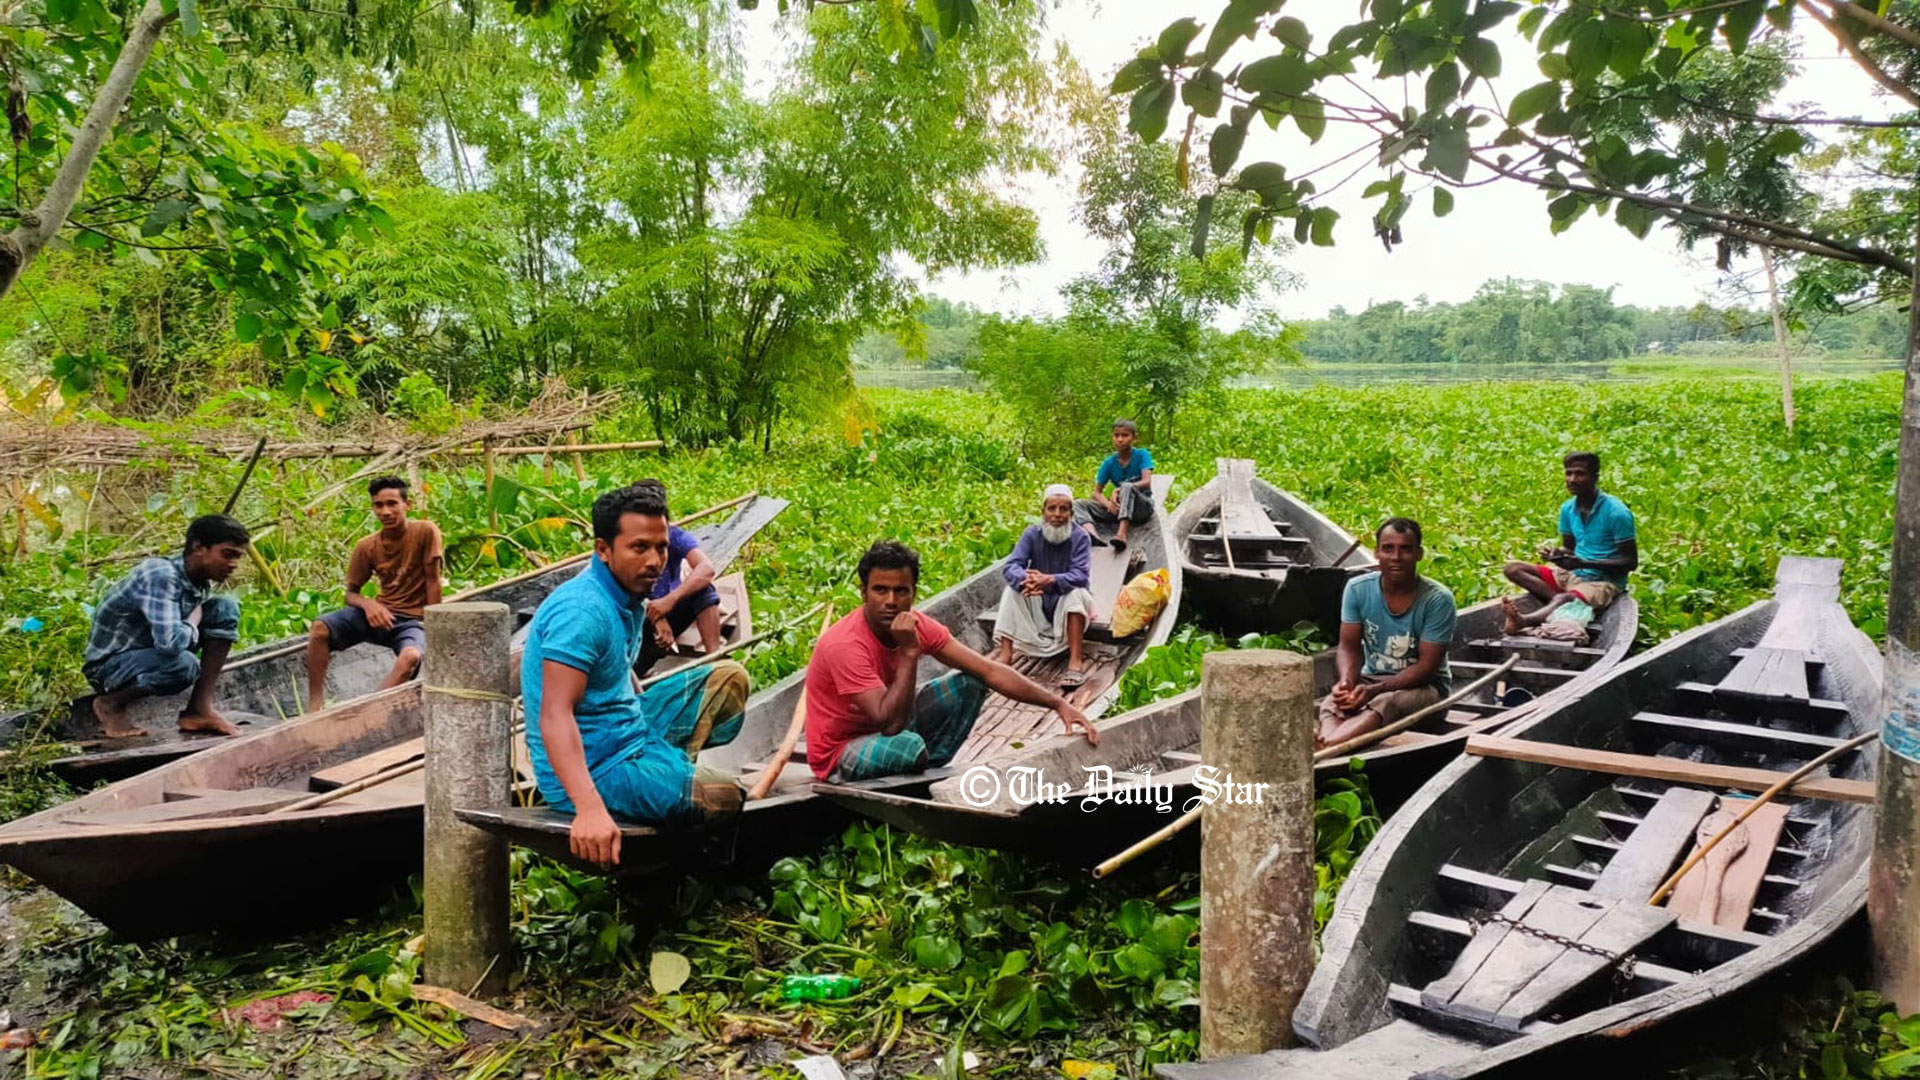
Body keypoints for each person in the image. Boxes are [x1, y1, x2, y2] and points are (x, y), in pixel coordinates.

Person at [522, 483, 751, 869]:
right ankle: (665, 807)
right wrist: (589, 809)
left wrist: (635, 694)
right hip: (597, 765)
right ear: (603, 550)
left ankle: (665, 775)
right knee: (724, 795)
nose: (655, 560)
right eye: (639, 547)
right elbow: (554, 715)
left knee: (728, 678)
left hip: (631, 729)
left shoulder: (629, 594)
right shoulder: (582, 612)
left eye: (661, 547)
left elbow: (617, 669)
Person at [805, 540, 1100, 784]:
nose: (891, 601)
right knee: (907, 745)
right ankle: (915, 765)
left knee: (970, 683)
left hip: (892, 728)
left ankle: (922, 772)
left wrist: (1058, 704)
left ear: (913, 593)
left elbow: (989, 670)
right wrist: (910, 652)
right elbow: (891, 723)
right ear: (864, 593)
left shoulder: (917, 624)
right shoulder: (845, 643)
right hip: (841, 752)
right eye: (880, 590)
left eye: (901, 591)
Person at [82, 514, 252, 739]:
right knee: (184, 665)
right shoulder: (161, 574)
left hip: (148, 655)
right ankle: (110, 703)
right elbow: (170, 645)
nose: (233, 565)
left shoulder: (198, 580)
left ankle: (199, 709)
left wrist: (194, 621)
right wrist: (192, 623)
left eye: (238, 557)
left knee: (225, 608)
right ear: (198, 547)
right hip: (109, 667)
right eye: (227, 554)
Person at [305, 476, 443, 712]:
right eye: (379, 505)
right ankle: (315, 705)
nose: (385, 511)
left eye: (392, 504)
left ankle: (369, 712)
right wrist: (369, 605)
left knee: (409, 657)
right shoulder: (366, 546)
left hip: (413, 621)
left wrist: (436, 627)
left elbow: (433, 581)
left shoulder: (425, 531)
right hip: (380, 616)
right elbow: (351, 594)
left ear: (406, 505)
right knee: (319, 629)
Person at [1317, 518, 1457, 749]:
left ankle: (1329, 745)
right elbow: (1349, 647)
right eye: (1388, 548)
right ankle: (1326, 744)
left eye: (1405, 549)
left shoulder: (1437, 599)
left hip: (1426, 689)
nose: (1396, 558)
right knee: (1332, 702)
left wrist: (1375, 690)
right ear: (1377, 552)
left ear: (1419, 554)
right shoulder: (1357, 589)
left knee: (1387, 702)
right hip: (1372, 679)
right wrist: (1346, 683)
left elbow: (1427, 668)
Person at [1502, 451, 1637, 623]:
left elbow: (1630, 562)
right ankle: (1564, 601)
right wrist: (1557, 555)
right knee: (1512, 569)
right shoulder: (1568, 508)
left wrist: (1584, 563)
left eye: (1580, 474)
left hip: (1602, 582)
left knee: (1562, 599)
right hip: (1573, 574)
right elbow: (1569, 549)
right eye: (1568, 473)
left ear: (1595, 477)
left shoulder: (1616, 513)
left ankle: (1525, 620)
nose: (1572, 479)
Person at [993, 484, 1095, 688]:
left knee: (1074, 594)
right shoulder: (1032, 534)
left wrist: (1049, 580)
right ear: (1043, 512)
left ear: (1071, 514)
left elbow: (1080, 575)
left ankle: (1075, 661)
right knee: (1011, 591)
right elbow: (1012, 566)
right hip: (1039, 596)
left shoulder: (1080, 537)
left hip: (1067, 598)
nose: (1057, 514)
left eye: (1063, 509)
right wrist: (1026, 580)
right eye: (1052, 509)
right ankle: (1006, 654)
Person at [633, 478, 723, 674]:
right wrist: (654, 614)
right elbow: (618, 588)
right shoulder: (625, 541)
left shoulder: (673, 536)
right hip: (635, 621)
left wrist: (669, 601)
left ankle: (713, 660)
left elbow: (706, 568)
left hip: (666, 608)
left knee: (703, 589)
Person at [1073, 419, 1155, 552]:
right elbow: (1096, 493)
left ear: (1134, 438)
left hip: (1141, 508)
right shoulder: (1109, 462)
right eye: (1116, 435)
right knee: (1077, 504)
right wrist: (1108, 505)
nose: (1120, 439)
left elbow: (1146, 481)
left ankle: (1121, 534)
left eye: (1125, 435)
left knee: (1128, 486)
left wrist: (1119, 489)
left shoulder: (1142, 455)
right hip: (1119, 509)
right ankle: (1092, 535)